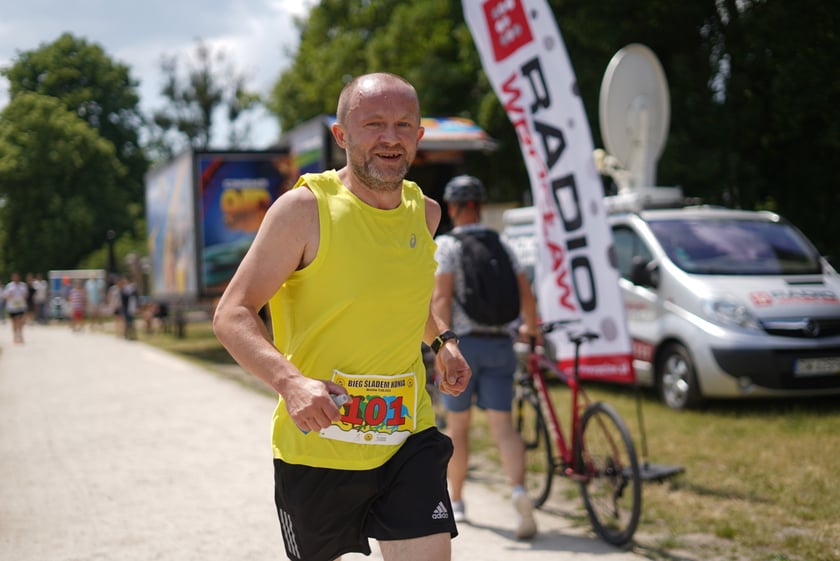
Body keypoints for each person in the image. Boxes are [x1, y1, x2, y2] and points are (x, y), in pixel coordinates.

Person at [213, 72, 472, 561]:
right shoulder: (303, 211)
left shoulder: (427, 214)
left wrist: (442, 342)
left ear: (418, 137)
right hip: (319, 446)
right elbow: (232, 313)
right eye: (373, 123)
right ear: (341, 135)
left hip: (406, 438)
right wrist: (290, 383)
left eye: (403, 125)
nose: (390, 137)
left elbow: (406, 297)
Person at [431, 175, 540, 540]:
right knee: (503, 426)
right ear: (479, 205)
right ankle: (519, 491)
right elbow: (527, 294)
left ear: (453, 207)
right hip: (500, 346)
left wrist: (442, 344)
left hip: (463, 347)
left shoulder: (446, 246)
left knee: (458, 428)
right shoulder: (504, 245)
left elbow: (442, 298)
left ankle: (457, 502)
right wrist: (531, 328)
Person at [3, 272, 30, 343]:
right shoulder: (9, 286)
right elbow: (5, 296)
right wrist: (9, 295)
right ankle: (15, 336)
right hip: (12, 307)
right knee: (14, 322)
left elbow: (26, 295)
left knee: (21, 322)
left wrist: (24, 296)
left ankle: (20, 335)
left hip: (21, 306)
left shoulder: (23, 285)